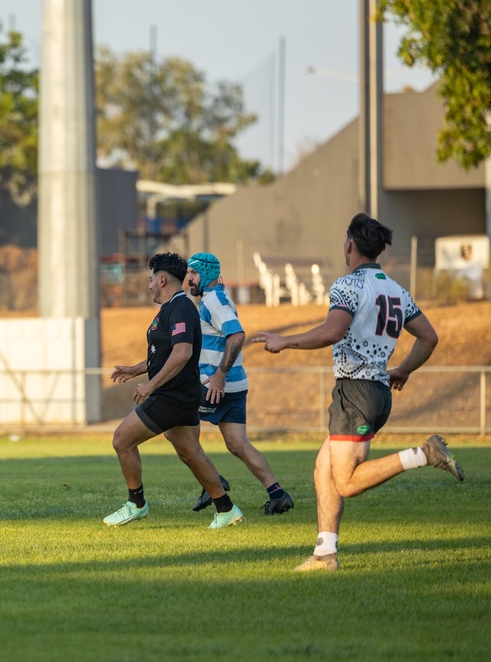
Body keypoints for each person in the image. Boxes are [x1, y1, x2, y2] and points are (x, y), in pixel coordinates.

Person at [253, 213, 464, 571]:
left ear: (350, 244)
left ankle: (423, 454)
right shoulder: (396, 290)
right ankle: (325, 554)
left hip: (356, 393)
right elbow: (429, 337)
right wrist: (404, 371)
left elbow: (332, 332)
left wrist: (284, 341)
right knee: (324, 471)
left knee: (346, 482)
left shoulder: (347, 286)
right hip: (377, 390)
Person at [106, 253, 244, 529]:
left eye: (150, 280)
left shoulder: (180, 307)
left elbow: (182, 354)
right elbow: (165, 353)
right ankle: (226, 508)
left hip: (173, 396)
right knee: (190, 452)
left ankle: (136, 503)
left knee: (122, 440)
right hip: (180, 395)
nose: (148, 286)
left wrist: (150, 385)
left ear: (162, 279)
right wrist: (136, 370)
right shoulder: (172, 308)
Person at [185, 252, 294, 515]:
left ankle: (212, 482)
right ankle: (277, 494)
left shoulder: (214, 301)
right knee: (237, 443)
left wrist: (220, 375)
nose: (188, 279)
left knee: (174, 430)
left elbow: (236, 335)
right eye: (188, 273)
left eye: (193, 273)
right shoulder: (214, 299)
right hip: (234, 384)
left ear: (207, 275)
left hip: (214, 385)